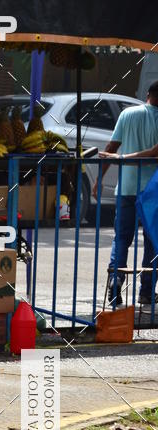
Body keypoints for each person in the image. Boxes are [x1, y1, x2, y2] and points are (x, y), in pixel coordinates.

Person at [94, 81, 158, 305]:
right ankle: (146, 291)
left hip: (127, 187)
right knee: (152, 241)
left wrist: (98, 180)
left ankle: (115, 286)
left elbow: (110, 149)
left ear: (147, 94)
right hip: (153, 192)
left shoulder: (128, 113)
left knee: (122, 238)